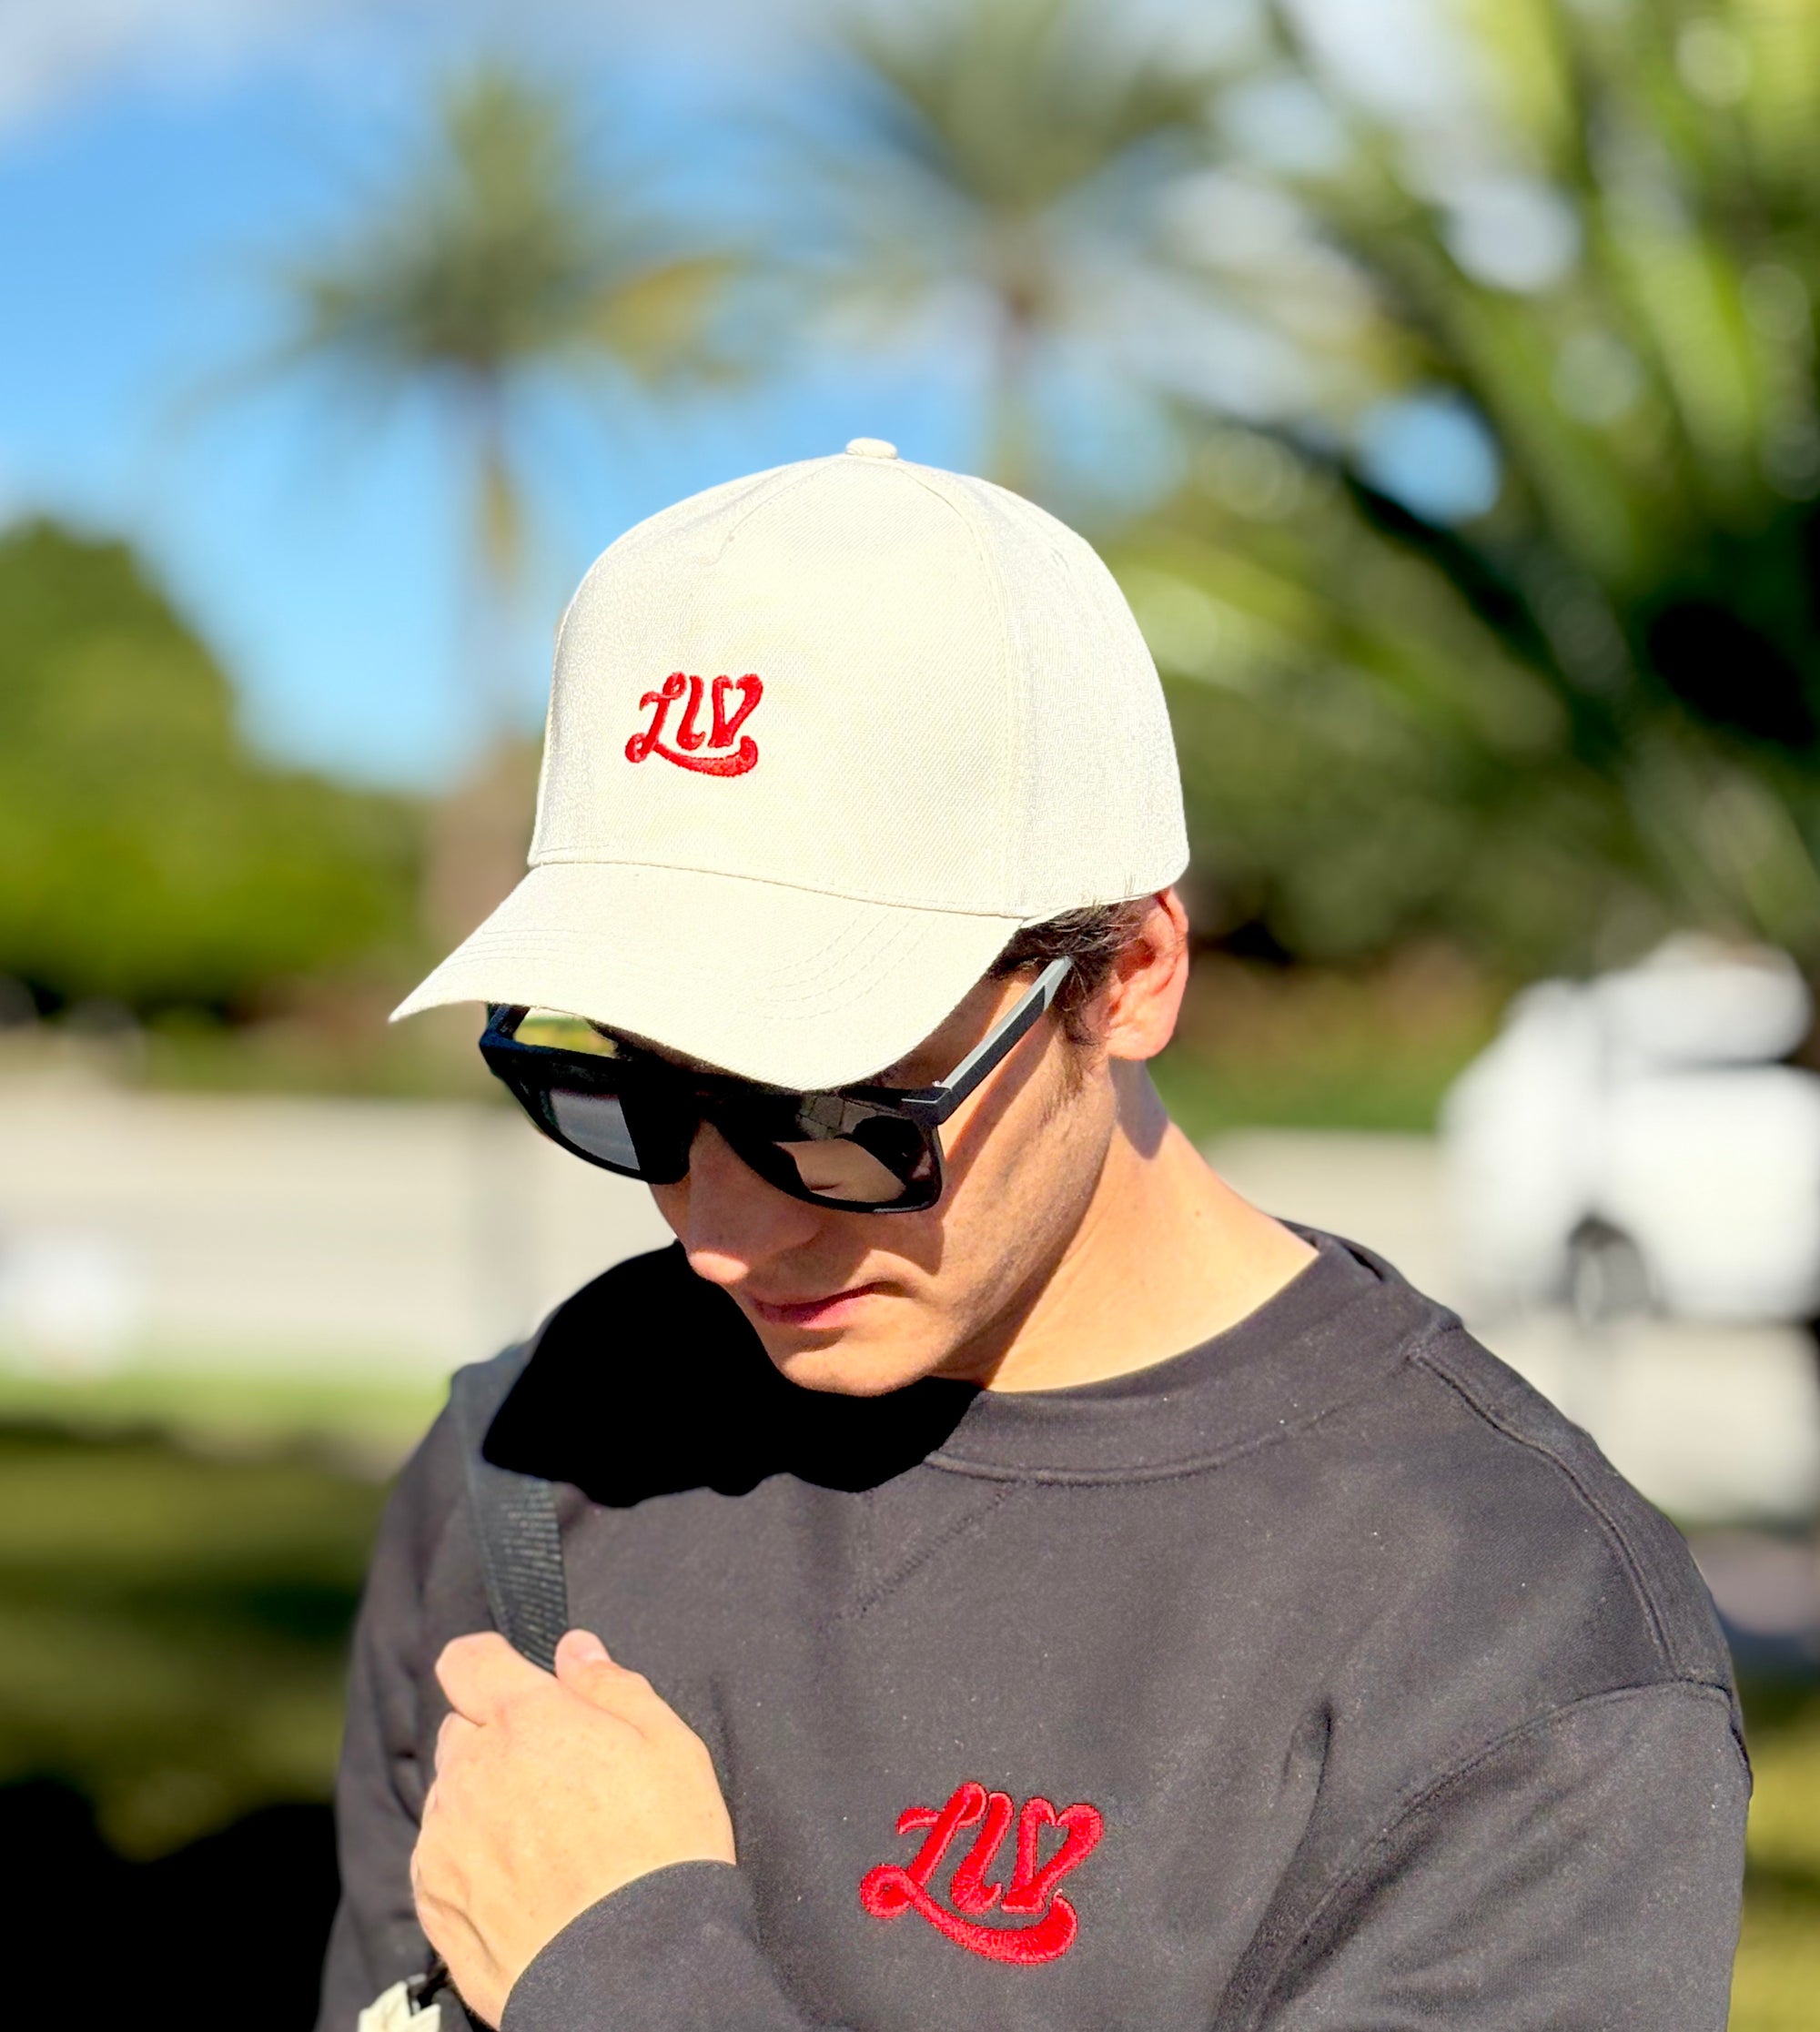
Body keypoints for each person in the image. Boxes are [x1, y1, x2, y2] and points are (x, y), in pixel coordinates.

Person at [318, 440, 1747, 2032]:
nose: (719, 1230)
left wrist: (627, 1976)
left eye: (837, 1112)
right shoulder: (527, 1455)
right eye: (631, 1092)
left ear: (1128, 976)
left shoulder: (1509, 1646)